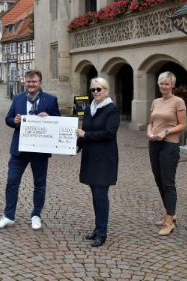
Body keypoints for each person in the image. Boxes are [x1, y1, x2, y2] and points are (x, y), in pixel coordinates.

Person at [0, 69, 60, 230]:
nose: (31, 84)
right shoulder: (18, 98)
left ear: (40, 83)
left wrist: (49, 119)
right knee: (12, 182)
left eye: (34, 81)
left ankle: (36, 215)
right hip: (19, 150)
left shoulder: (50, 100)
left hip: (40, 151)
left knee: (39, 184)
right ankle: (9, 216)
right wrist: (14, 121)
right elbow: (8, 119)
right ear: (25, 82)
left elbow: (58, 122)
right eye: (28, 81)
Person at [75, 77, 120, 247]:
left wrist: (85, 136)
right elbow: (84, 129)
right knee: (95, 195)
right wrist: (78, 146)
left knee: (101, 195)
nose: (95, 92)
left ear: (106, 91)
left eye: (98, 89)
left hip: (104, 158)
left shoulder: (112, 110)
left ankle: (102, 232)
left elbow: (109, 133)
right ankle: (97, 227)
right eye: (93, 90)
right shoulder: (89, 108)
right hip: (90, 156)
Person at [146, 72, 187, 236]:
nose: (164, 86)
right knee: (159, 180)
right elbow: (151, 122)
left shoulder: (178, 102)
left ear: (172, 86)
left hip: (169, 145)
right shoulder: (156, 102)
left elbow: (183, 124)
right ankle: (168, 213)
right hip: (153, 144)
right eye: (161, 83)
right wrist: (149, 132)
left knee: (168, 183)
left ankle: (170, 221)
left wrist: (166, 132)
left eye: (167, 84)